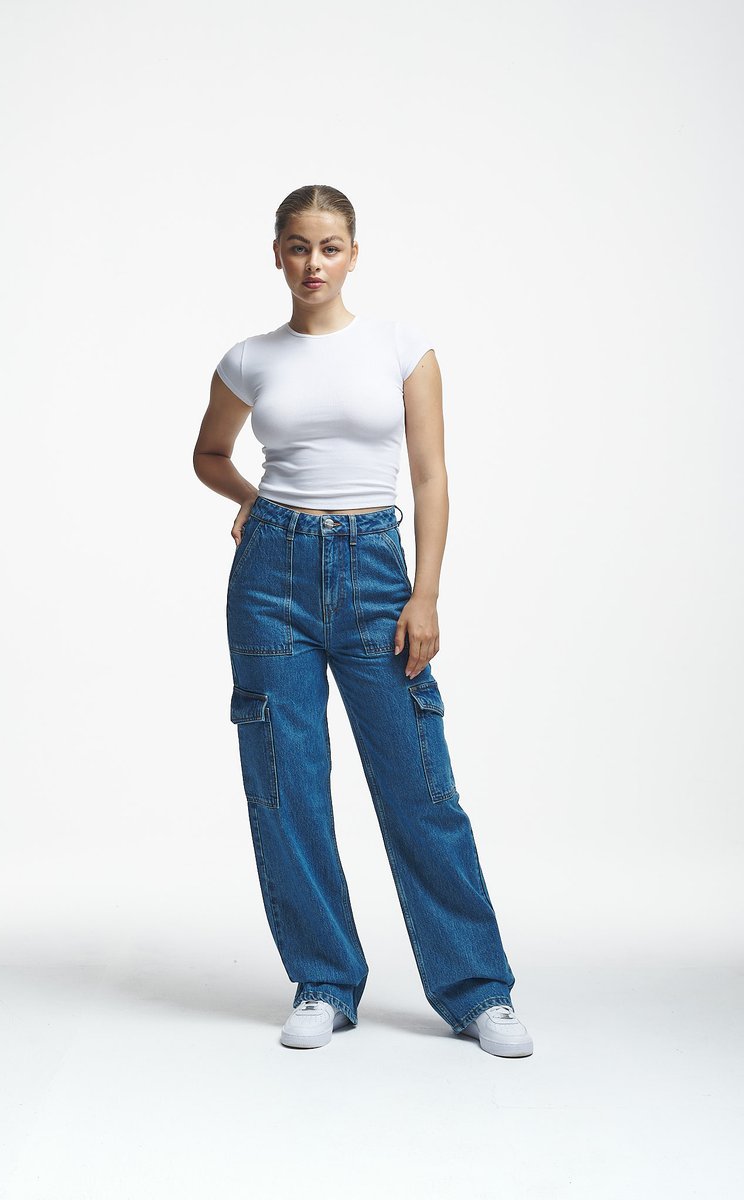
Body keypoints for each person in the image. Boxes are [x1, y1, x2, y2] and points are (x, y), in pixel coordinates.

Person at [192, 184, 533, 1057]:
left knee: (419, 785)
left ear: (353, 253)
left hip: (379, 573)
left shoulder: (401, 348)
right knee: (287, 781)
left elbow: (429, 476)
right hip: (271, 577)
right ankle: (324, 980)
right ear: (276, 253)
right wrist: (255, 500)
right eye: (299, 247)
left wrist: (427, 593)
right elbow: (210, 454)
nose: (314, 263)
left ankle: (474, 989)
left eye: (331, 247)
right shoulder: (248, 358)